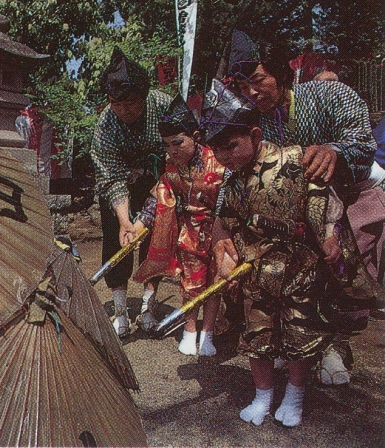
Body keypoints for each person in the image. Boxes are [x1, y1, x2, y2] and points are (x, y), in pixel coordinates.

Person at [223, 31, 385, 385]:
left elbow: (363, 142)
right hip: (291, 210)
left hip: (355, 192)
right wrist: (222, 224)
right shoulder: (248, 119)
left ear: (280, 72)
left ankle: (335, 346)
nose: (251, 92)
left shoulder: (329, 94)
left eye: (258, 81)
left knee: (337, 258)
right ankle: (290, 342)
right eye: (242, 85)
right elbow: (233, 169)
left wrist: (334, 151)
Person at [203, 82, 346, 427]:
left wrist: (330, 234)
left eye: (231, 146)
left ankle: (295, 395)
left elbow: (327, 200)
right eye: (217, 151)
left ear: (254, 135)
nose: (225, 157)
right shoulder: (232, 183)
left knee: (299, 334)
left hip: (300, 270)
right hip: (256, 274)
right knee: (258, 337)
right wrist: (226, 260)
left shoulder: (295, 159)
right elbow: (226, 224)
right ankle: (263, 395)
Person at [130, 94, 226, 355]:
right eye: (167, 145)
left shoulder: (218, 162)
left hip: (220, 230)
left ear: (195, 136)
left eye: (178, 143)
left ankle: (208, 333)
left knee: (216, 281)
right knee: (191, 282)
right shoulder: (172, 169)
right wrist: (138, 226)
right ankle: (190, 329)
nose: (172, 150)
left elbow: (228, 200)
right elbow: (159, 197)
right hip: (190, 233)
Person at [91, 46, 172, 337]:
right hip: (119, 184)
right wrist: (126, 221)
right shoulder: (106, 124)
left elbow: (179, 158)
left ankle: (149, 305)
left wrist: (145, 219)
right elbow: (110, 175)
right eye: (116, 103)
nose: (124, 110)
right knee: (117, 238)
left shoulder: (165, 107)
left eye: (131, 103)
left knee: (157, 240)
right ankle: (121, 309)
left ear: (144, 95)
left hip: (160, 182)